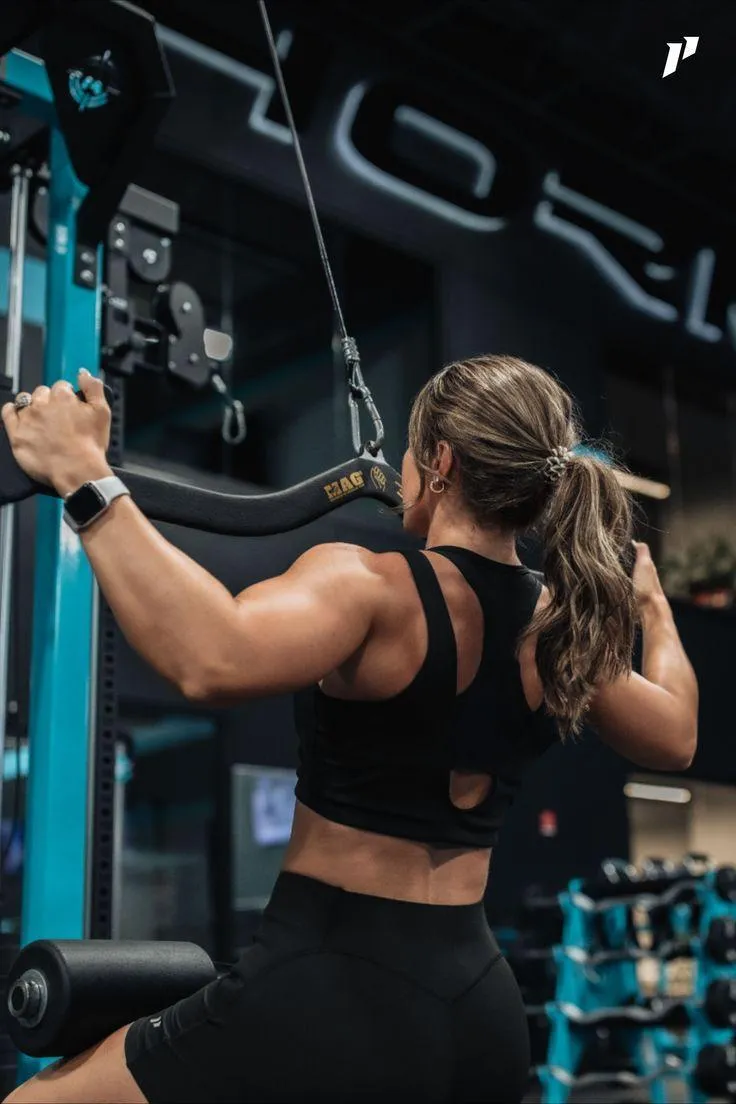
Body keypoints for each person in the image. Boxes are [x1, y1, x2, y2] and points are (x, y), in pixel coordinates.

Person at [2, 355, 698, 1104]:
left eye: (407, 446)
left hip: (329, 991)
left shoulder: (371, 587)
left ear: (440, 461)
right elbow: (676, 734)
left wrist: (84, 474)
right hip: (479, 1013)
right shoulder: (558, 633)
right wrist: (652, 609)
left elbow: (210, 658)